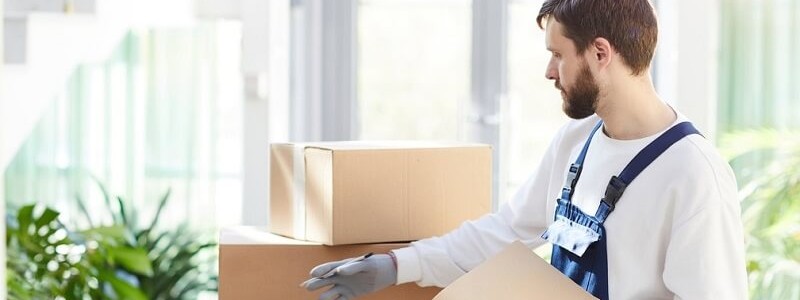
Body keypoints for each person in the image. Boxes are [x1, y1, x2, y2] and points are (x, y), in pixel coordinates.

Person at [301, 0, 748, 299]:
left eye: (558, 54)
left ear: (599, 53)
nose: (549, 71)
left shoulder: (693, 175)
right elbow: (502, 235)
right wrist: (396, 265)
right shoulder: (576, 143)